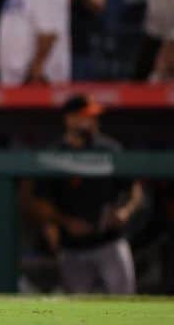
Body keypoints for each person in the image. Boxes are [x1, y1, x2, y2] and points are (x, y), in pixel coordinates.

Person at [31, 94, 143, 294]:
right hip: (73, 246)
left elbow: (135, 189)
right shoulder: (54, 153)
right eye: (85, 116)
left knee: (125, 305)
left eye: (93, 116)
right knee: (77, 311)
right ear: (69, 119)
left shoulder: (109, 149)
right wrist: (65, 222)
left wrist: (124, 211)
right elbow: (39, 201)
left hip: (109, 241)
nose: (91, 121)